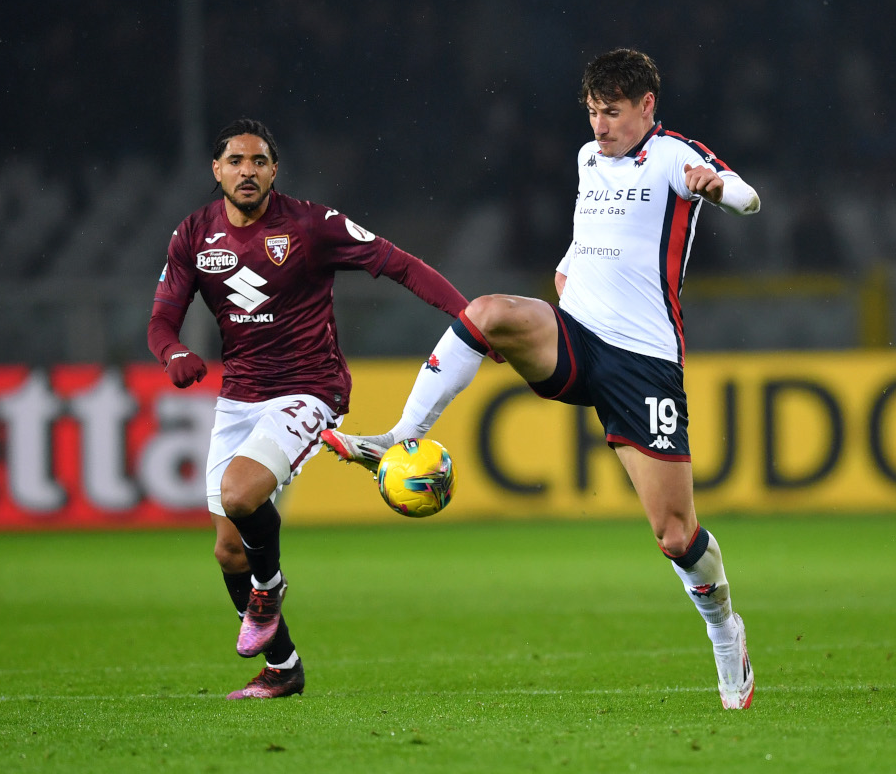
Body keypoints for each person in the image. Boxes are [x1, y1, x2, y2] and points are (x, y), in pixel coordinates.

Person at [322, 48, 761, 709]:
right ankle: (397, 435)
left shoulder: (675, 156)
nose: (599, 127)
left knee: (674, 534)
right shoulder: (588, 161)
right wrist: (567, 274)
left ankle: (725, 630)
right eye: (590, 112)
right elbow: (589, 239)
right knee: (488, 312)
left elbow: (749, 199)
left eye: (612, 112)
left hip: (642, 362)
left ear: (646, 106)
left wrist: (715, 187)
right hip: (576, 337)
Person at [147, 118, 468, 699]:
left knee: (243, 497)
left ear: (275, 170)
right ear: (216, 170)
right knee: (226, 547)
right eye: (236, 161)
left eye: (260, 161)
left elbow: (398, 263)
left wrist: (467, 319)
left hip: (310, 388)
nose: (248, 171)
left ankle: (268, 589)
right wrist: (172, 352)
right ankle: (282, 668)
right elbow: (162, 318)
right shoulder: (193, 233)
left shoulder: (312, 226)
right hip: (239, 395)